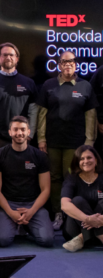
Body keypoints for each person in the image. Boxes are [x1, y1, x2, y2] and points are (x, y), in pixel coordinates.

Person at [37, 50, 98, 231]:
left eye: (71, 61)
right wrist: (40, 139)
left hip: (77, 144)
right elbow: (41, 114)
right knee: (54, 178)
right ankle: (57, 213)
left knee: (71, 177)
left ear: (76, 64)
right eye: (64, 62)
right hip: (53, 142)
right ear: (59, 65)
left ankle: (72, 216)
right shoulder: (49, 85)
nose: (68, 64)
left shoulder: (85, 86)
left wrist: (89, 142)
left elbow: (91, 116)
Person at [0, 116, 53, 248]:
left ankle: (27, 226)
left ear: (29, 132)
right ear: (10, 132)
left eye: (23, 129)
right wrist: (10, 212)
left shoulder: (39, 156)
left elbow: (46, 189)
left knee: (47, 240)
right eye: (16, 129)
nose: (19, 133)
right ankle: (15, 224)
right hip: (8, 204)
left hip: (33, 204)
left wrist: (31, 211)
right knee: (3, 240)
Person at [0, 43, 38, 159]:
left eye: (11, 55)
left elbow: (34, 112)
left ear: (17, 58)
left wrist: (29, 135)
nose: (8, 57)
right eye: (4, 55)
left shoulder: (29, 83)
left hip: (22, 140)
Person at [61, 145, 103, 252]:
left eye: (89, 158)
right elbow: (64, 205)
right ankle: (100, 235)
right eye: (81, 159)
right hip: (74, 229)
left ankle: (82, 238)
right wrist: (88, 219)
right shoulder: (72, 178)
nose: (85, 161)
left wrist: (101, 220)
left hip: (93, 228)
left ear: (96, 160)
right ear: (77, 162)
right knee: (77, 201)